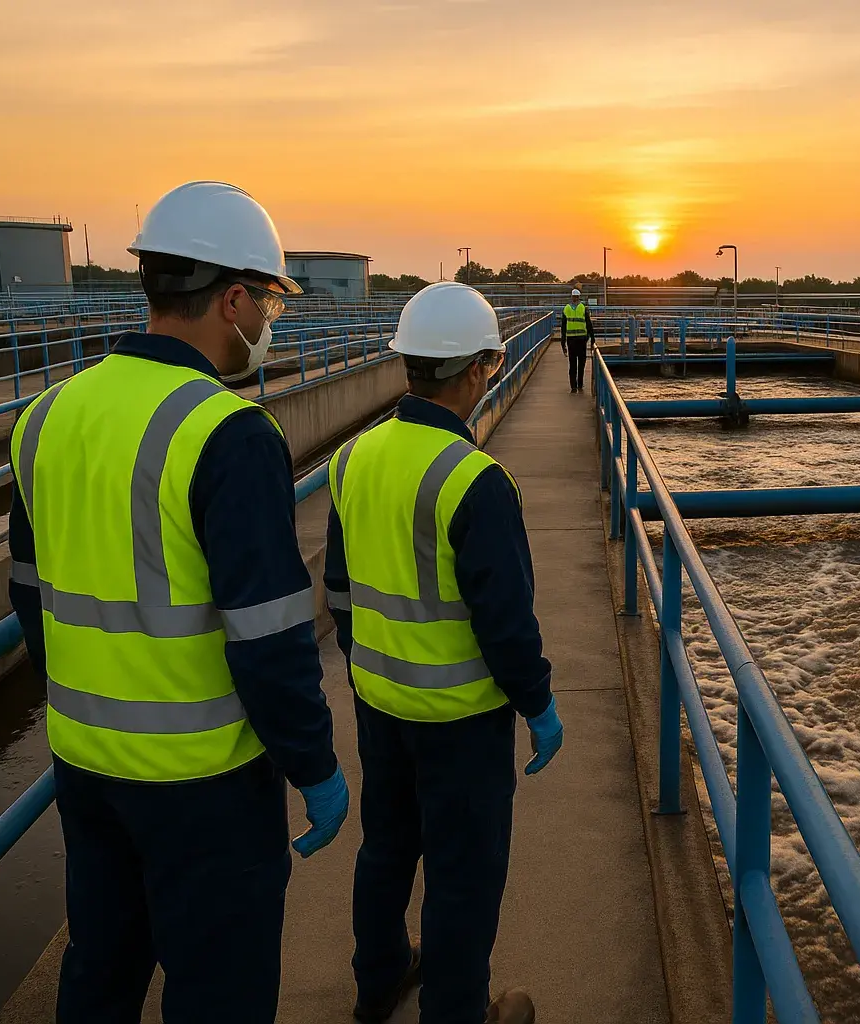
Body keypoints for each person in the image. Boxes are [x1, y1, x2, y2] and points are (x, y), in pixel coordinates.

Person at [7, 181, 348, 1024]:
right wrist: (314, 765)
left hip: (86, 765)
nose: (269, 321)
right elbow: (270, 640)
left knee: (100, 974)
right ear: (231, 299)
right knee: (218, 995)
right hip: (207, 787)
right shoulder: (228, 433)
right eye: (268, 301)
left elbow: (28, 597)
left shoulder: (46, 417)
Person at [324, 282, 563, 1023]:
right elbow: (506, 623)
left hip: (379, 703)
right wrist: (539, 704)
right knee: (464, 876)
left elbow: (338, 589)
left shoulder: (352, 458)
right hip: (461, 721)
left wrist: (367, 662)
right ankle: (456, 1012)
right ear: (478, 369)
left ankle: (378, 984)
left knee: (386, 850)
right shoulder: (475, 481)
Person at [561, 286, 593, 393]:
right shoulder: (583, 308)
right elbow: (589, 324)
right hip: (581, 339)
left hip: (572, 340)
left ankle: (574, 387)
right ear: (579, 297)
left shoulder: (566, 308)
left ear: (572, 297)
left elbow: (563, 327)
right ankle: (579, 384)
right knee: (581, 363)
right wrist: (592, 338)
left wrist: (563, 342)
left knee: (573, 364)